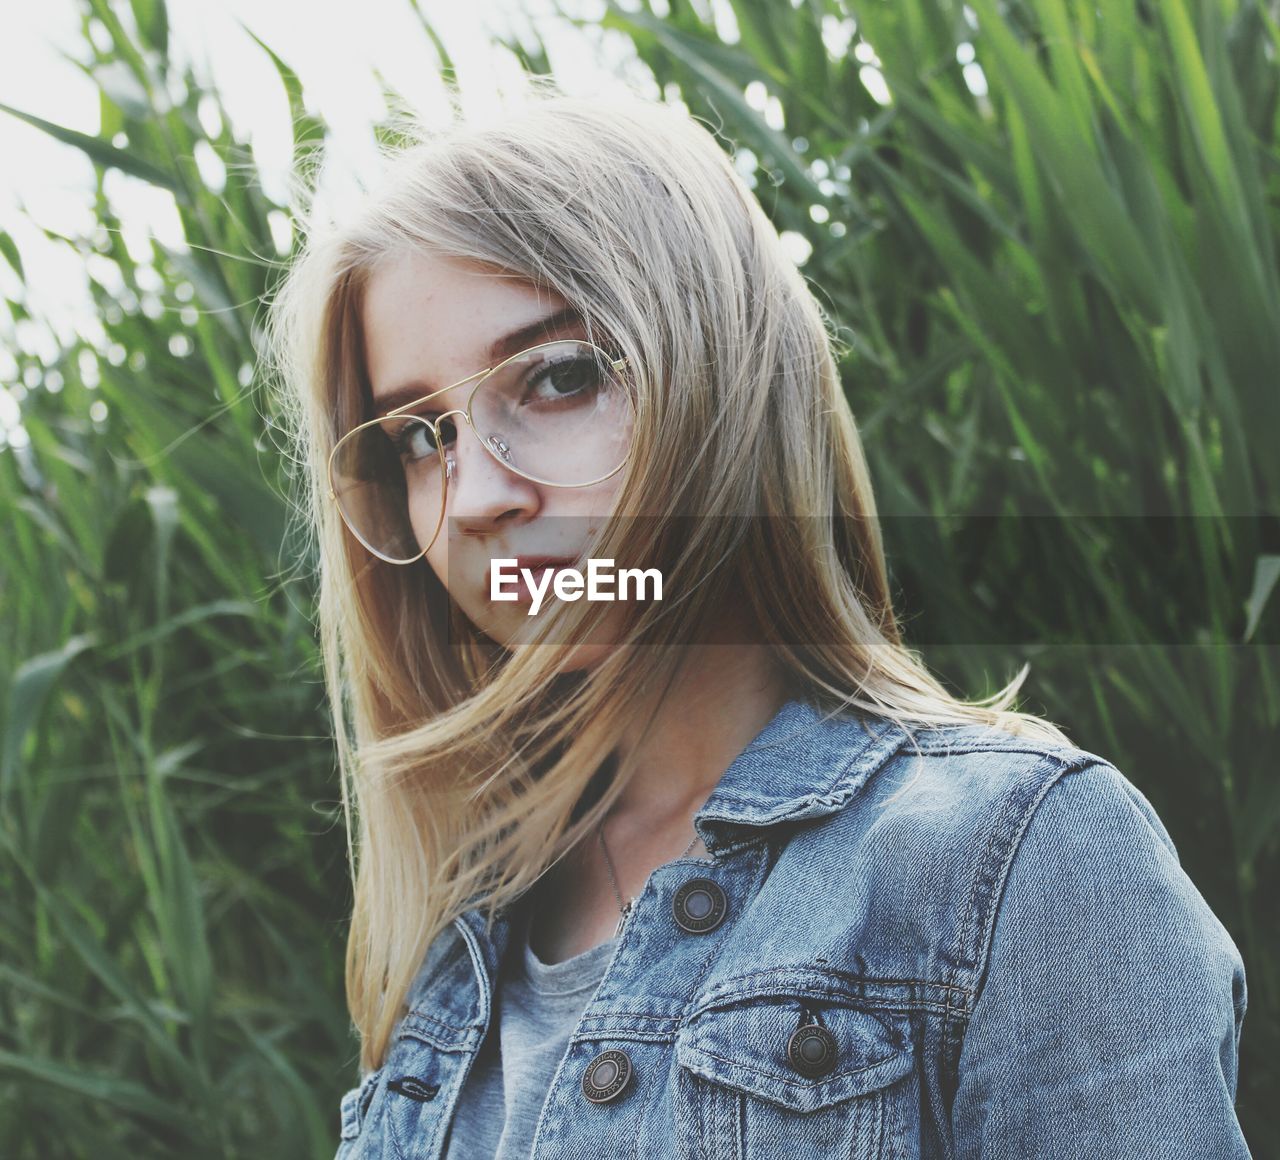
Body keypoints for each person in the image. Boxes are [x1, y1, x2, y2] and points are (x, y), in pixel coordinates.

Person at [265, 81, 1250, 1158]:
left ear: (722, 373)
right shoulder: (453, 943)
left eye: (557, 377)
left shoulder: (1019, 860)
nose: (480, 494)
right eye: (420, 435)